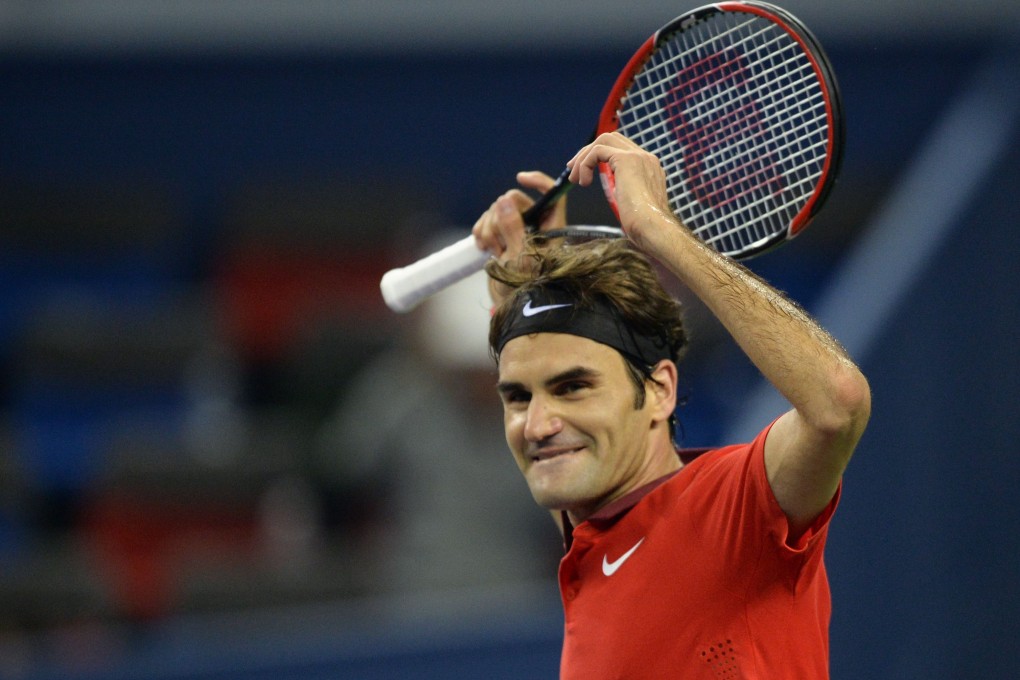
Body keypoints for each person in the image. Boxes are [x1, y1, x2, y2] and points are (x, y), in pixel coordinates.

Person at [470, 132, 871, 679]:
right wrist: (528, 277)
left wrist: (655, 228)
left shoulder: (737, 507)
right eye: (518, 396)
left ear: (660, 389)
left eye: (573, 388)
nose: (537, 424)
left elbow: (839, 405)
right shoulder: (589, 526)